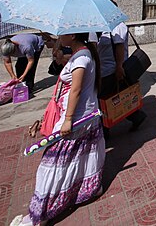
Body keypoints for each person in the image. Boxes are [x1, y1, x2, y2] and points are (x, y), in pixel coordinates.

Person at [18, 32, 105, 226]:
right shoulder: (81, 54)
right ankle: (90, 188)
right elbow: (70, 67)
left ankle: (40, 214)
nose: (59, 36)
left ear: (72, 35)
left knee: (52, 164)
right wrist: (59, 55)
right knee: (85, 155)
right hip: (85, 115)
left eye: (62, 34)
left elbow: (75, 89)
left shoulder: (82, 57)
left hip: (77, 118)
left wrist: (67, 120)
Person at [93, 0, 146, 134]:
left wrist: (118, 67)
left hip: (112, 70)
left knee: (105, 99)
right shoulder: (103, 26)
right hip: (104, 69)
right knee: (116, 96)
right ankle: (136, 116)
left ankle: (105, 129)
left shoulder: (117, 26)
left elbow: (119, 47)